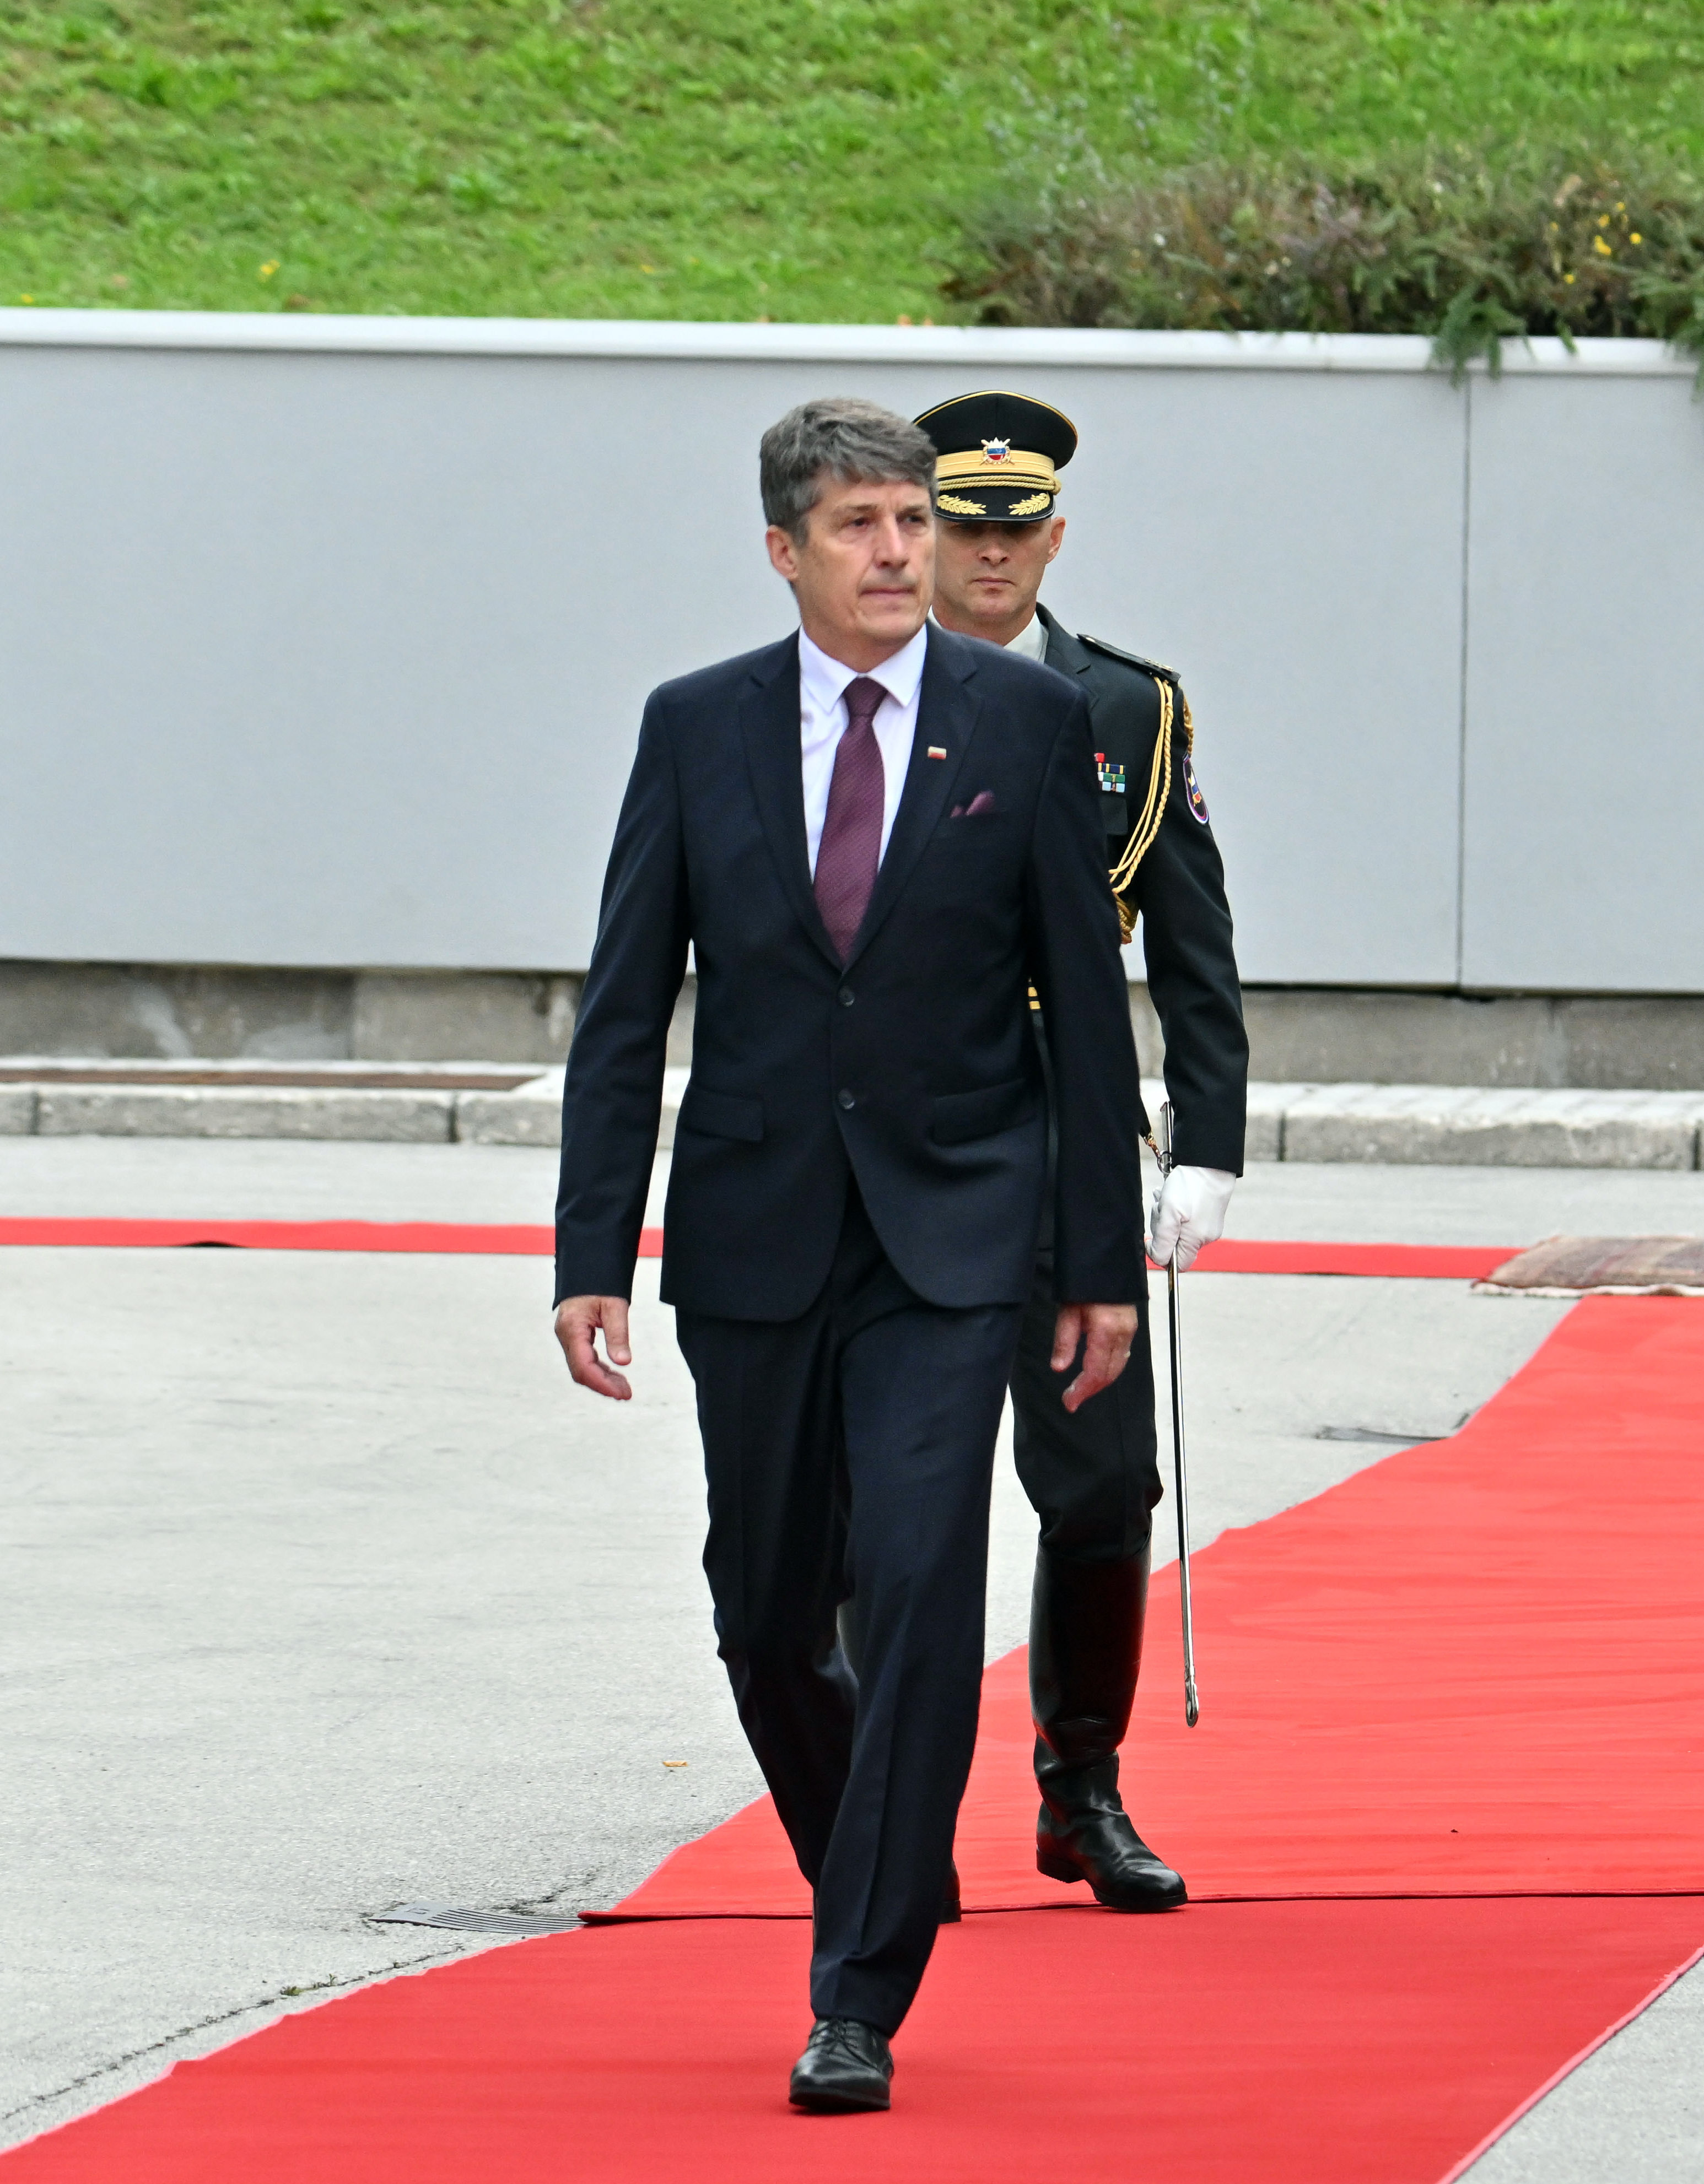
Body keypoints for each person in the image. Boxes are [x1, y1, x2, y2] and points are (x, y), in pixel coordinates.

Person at [551, 397, 1147, 2114]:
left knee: (914, 1582)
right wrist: (593, 1244)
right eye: (864, 525)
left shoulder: (1023, 723)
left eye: (913, 521)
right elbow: (622, 1007)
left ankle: (855, 1987)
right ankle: (880, 1856)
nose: (902, 551)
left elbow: (1084, 1012)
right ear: (785, 552)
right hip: (750, 1229)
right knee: (760, 1609)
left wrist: (1090, 1255)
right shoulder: (695, 728)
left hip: (954, 1234)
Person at [915, 388, 1248, 1911]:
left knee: (1107, 1484)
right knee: (888, 1499)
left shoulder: (1130, 707)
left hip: (1069, 1141)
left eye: (1016, 529)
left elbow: (1191, 940)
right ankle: (885, 1802)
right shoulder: (856, 696)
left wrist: (1209, 1144)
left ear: (1054, 533)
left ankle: (1081, 1786)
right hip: (907, 1135)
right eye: (964, 529)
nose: (992, 557)